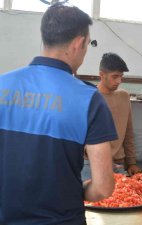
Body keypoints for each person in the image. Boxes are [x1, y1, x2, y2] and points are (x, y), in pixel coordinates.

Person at [0, 4, 117, 225]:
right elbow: (103, 188)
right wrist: (73, 192)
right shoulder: (89, 99)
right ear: (79, 43)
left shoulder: (2, 84)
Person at [98, 52, 141, 176]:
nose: (119, 81)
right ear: (102, 75)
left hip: (119, 163)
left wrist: (132, 162)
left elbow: (128, 132)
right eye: (115, 76)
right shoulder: (90, 97)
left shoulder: (124, 96)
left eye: (121, 76)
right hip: (93, 163)